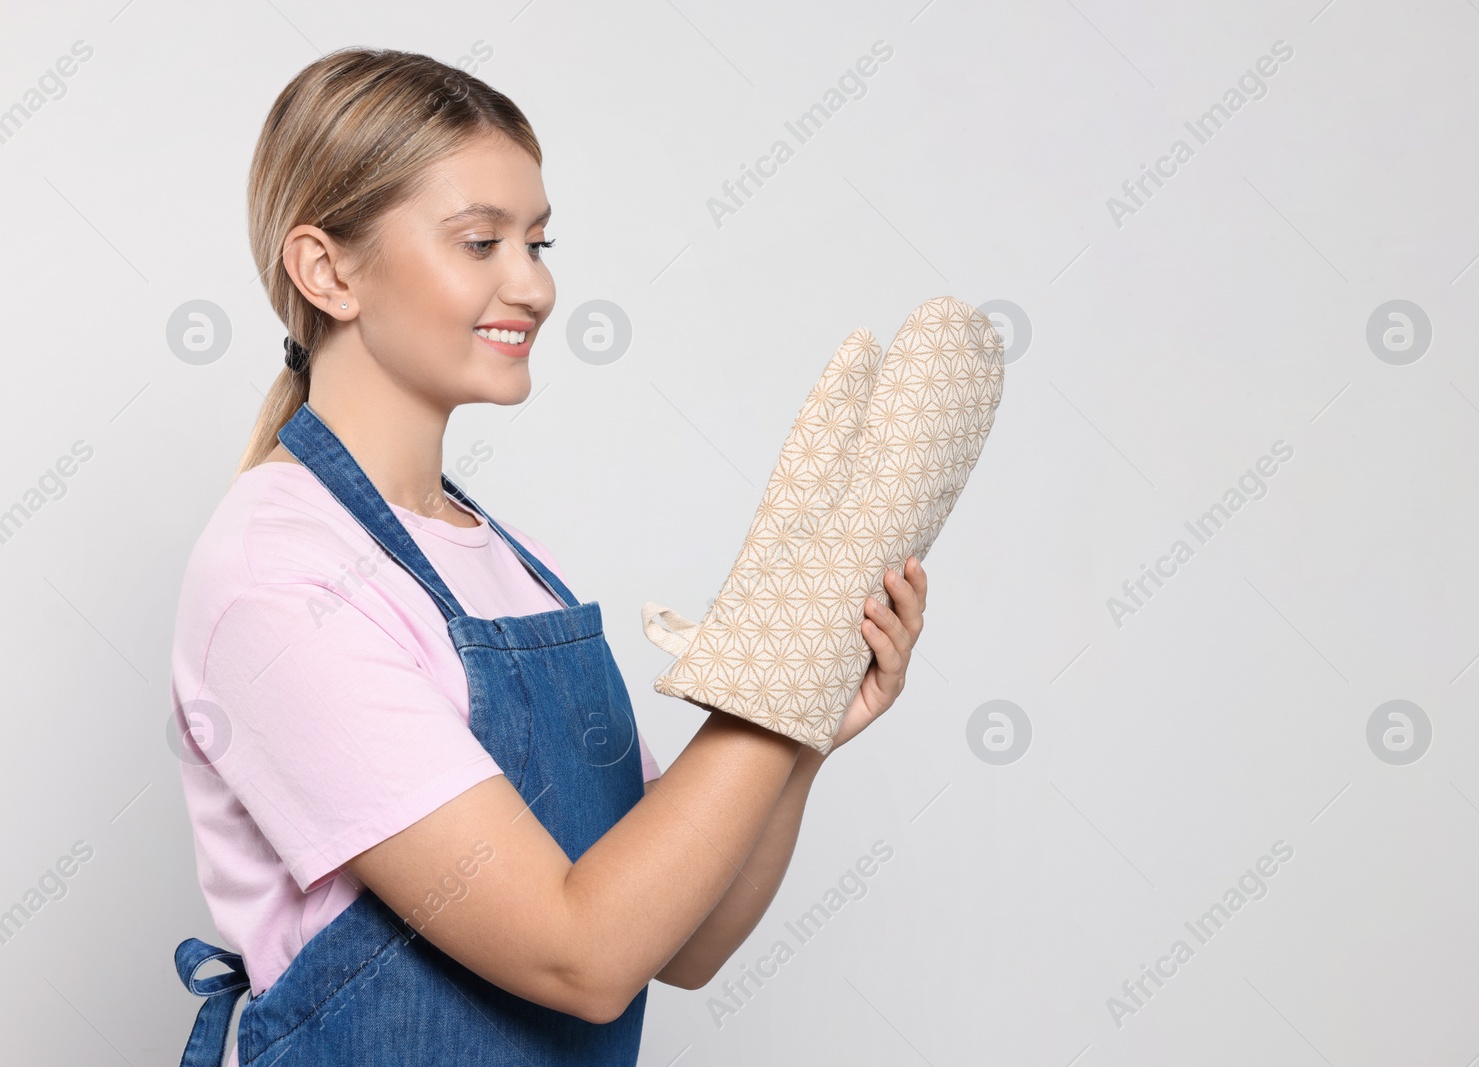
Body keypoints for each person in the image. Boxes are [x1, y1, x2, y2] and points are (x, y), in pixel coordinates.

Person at [168, 47, 927, 1066]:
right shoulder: (280, 576)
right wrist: (767, 681)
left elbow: (683, 938)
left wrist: (801, 729)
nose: (533, 284)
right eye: (480, 241)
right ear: (328, 269)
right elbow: (581, 953)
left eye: (538, 240)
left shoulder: (514, 563)